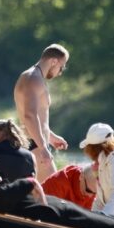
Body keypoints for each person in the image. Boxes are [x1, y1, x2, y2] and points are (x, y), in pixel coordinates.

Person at [14, 44, 70, 182]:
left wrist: (51, 136)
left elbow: (38, 117)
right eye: (61, 67)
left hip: (36, 144)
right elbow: (29, 116)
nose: (60, 72)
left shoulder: (35, 77)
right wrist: (43, 148)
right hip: (35, 145)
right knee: (55, 190)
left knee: (43, 192)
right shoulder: (32, 78)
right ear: (54, 61)